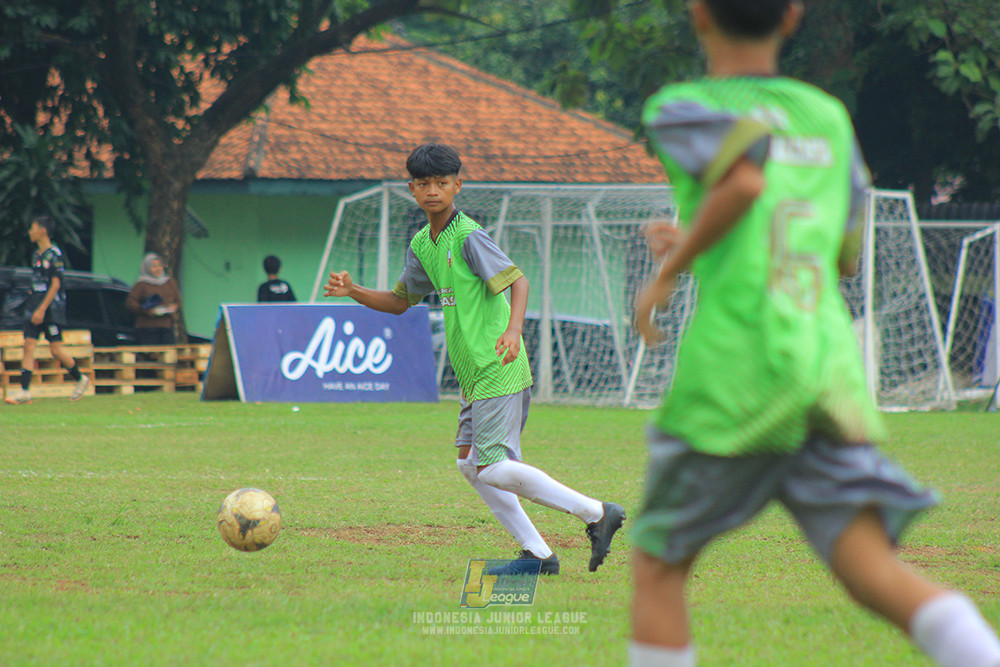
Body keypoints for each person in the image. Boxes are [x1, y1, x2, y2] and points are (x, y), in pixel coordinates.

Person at [628, 2, 1000, 666]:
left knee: (659, 562)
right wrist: (702, 239)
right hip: (824, 370)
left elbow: (743, 181)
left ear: (698, 13)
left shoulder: (684, 105)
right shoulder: (826, 115)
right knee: (870, 570)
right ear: (793, 17)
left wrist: (669, 270)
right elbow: (844, 258)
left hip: (738, 366)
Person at [324, 143, 625, 575]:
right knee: (471, 464)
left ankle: (596, 513)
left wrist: (513, 331)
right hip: (474, 374)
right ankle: (538, 555)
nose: (432, 191)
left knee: (495, 468)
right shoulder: (423, 244)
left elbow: (517, 283)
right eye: (424, 184)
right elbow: (398, 301)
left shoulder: (468, 236)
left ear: (457, 186)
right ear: (411, 188)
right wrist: (353, 291)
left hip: (497, 366)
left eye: (442, 183)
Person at [5, 216, 90, 405]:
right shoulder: (36, 255)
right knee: (28, 346)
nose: (29, 232)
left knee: (56, 350)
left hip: (50, 309)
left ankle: (80, 378)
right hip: (33, 306)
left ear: (42, 231)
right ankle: (25, 391)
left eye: (32, 228)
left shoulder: (55, 255)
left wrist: (42, 309)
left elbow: (55, 284)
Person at [126, 253, 181, 345]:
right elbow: (130, 303)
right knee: (151, 355)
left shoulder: (169, 282)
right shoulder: (141, 284)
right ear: (147, 268)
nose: (157, 269)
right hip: (147, 328)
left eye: (159, 265)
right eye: (154, 266)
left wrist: (173, 307)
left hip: (166, 326)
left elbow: (178, 300)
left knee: (168, 355)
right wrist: (147, 311)